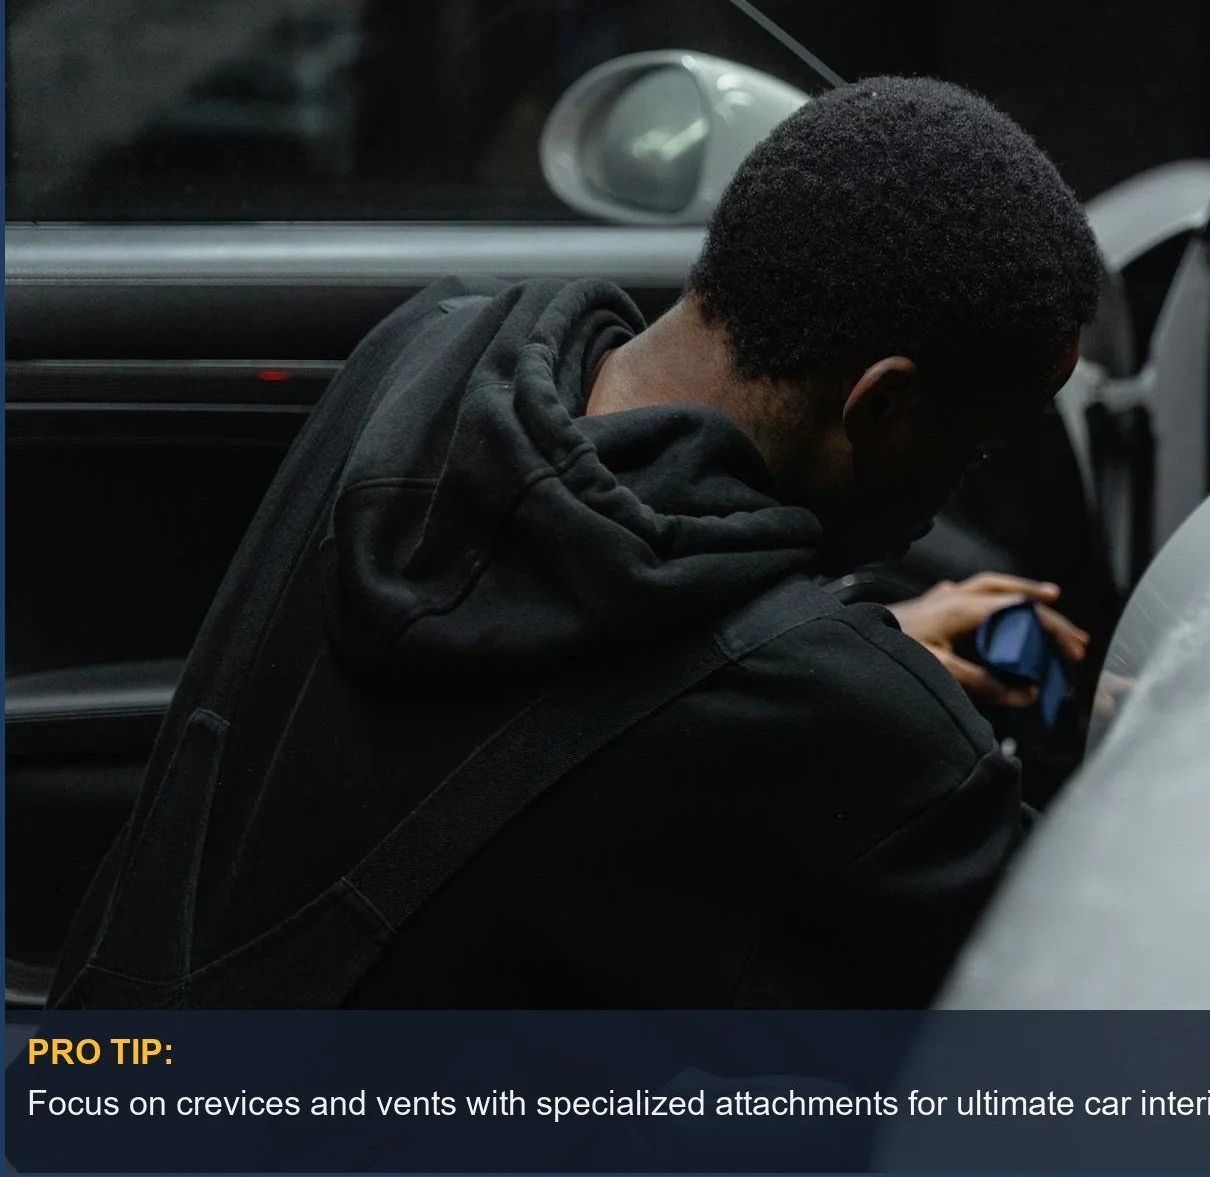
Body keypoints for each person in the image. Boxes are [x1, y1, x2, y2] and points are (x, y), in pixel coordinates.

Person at [49, 77, 1106, 1009]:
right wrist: (855, 682)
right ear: (882, 407)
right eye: (969, 454)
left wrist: (842, 655)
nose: (945, 502)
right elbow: (1107, 1020)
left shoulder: (418, 360)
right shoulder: (857, 736)